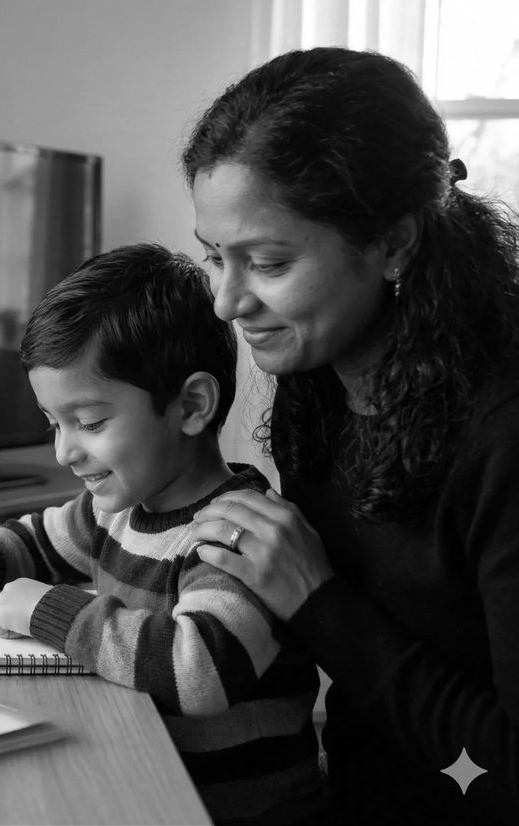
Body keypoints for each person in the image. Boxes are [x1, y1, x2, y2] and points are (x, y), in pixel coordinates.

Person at [182, 47, 519, 824]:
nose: (229, 302)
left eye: (266, 262)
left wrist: (319, 603)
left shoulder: (505, 439)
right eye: (214, 259)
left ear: (394, 244)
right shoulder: (320, 378)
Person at [0, 243, 325, 825]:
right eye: (54, 423)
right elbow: (39, 540)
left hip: (234, 811)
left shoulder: (235, 532)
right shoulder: (118, 510)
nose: (65, 450)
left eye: (91, 422)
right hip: (144, 785)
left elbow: (198, 670)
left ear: (191, 406)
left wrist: (50, 612)